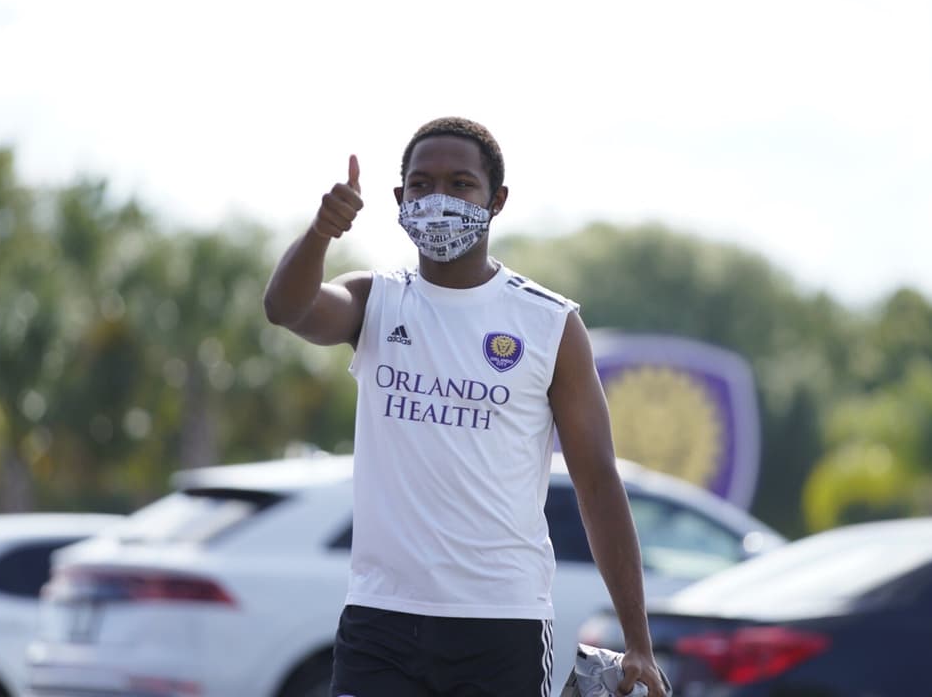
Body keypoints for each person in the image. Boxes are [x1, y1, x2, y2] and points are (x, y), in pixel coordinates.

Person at [263, 117, 667, 697]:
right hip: (381, 618)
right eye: (421, 186)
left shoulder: (550, 323)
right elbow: (287, 309)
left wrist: (638, 641)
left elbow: (598, 483)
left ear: (496, 201)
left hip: (501, 623)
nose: (438, 200)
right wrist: (322, 232)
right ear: (399, 200)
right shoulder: (375, 299)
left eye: (460, 184)